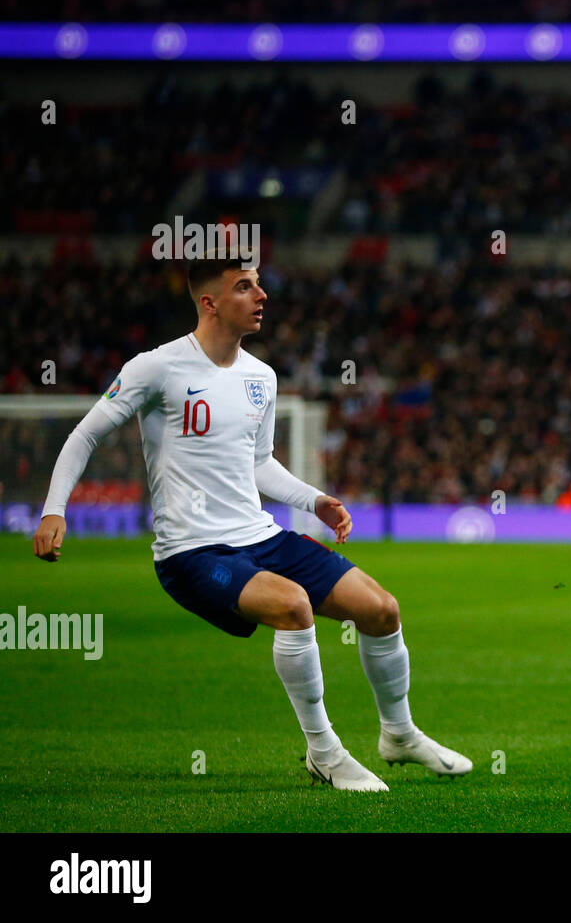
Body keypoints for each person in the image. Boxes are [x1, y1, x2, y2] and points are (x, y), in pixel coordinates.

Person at [32, 255, 472, 788]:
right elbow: (85, 435)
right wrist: (55, 507)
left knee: (381, 610)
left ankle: (398, 734)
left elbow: (258, 462)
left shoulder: (261, 377)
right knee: (293, 606)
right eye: (245, 287)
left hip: (260, 536)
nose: (261, 296)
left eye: (259, 285)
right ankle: (324, 753)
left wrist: (314, 501)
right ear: (209, 302)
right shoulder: (156, 367)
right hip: (192, 553)